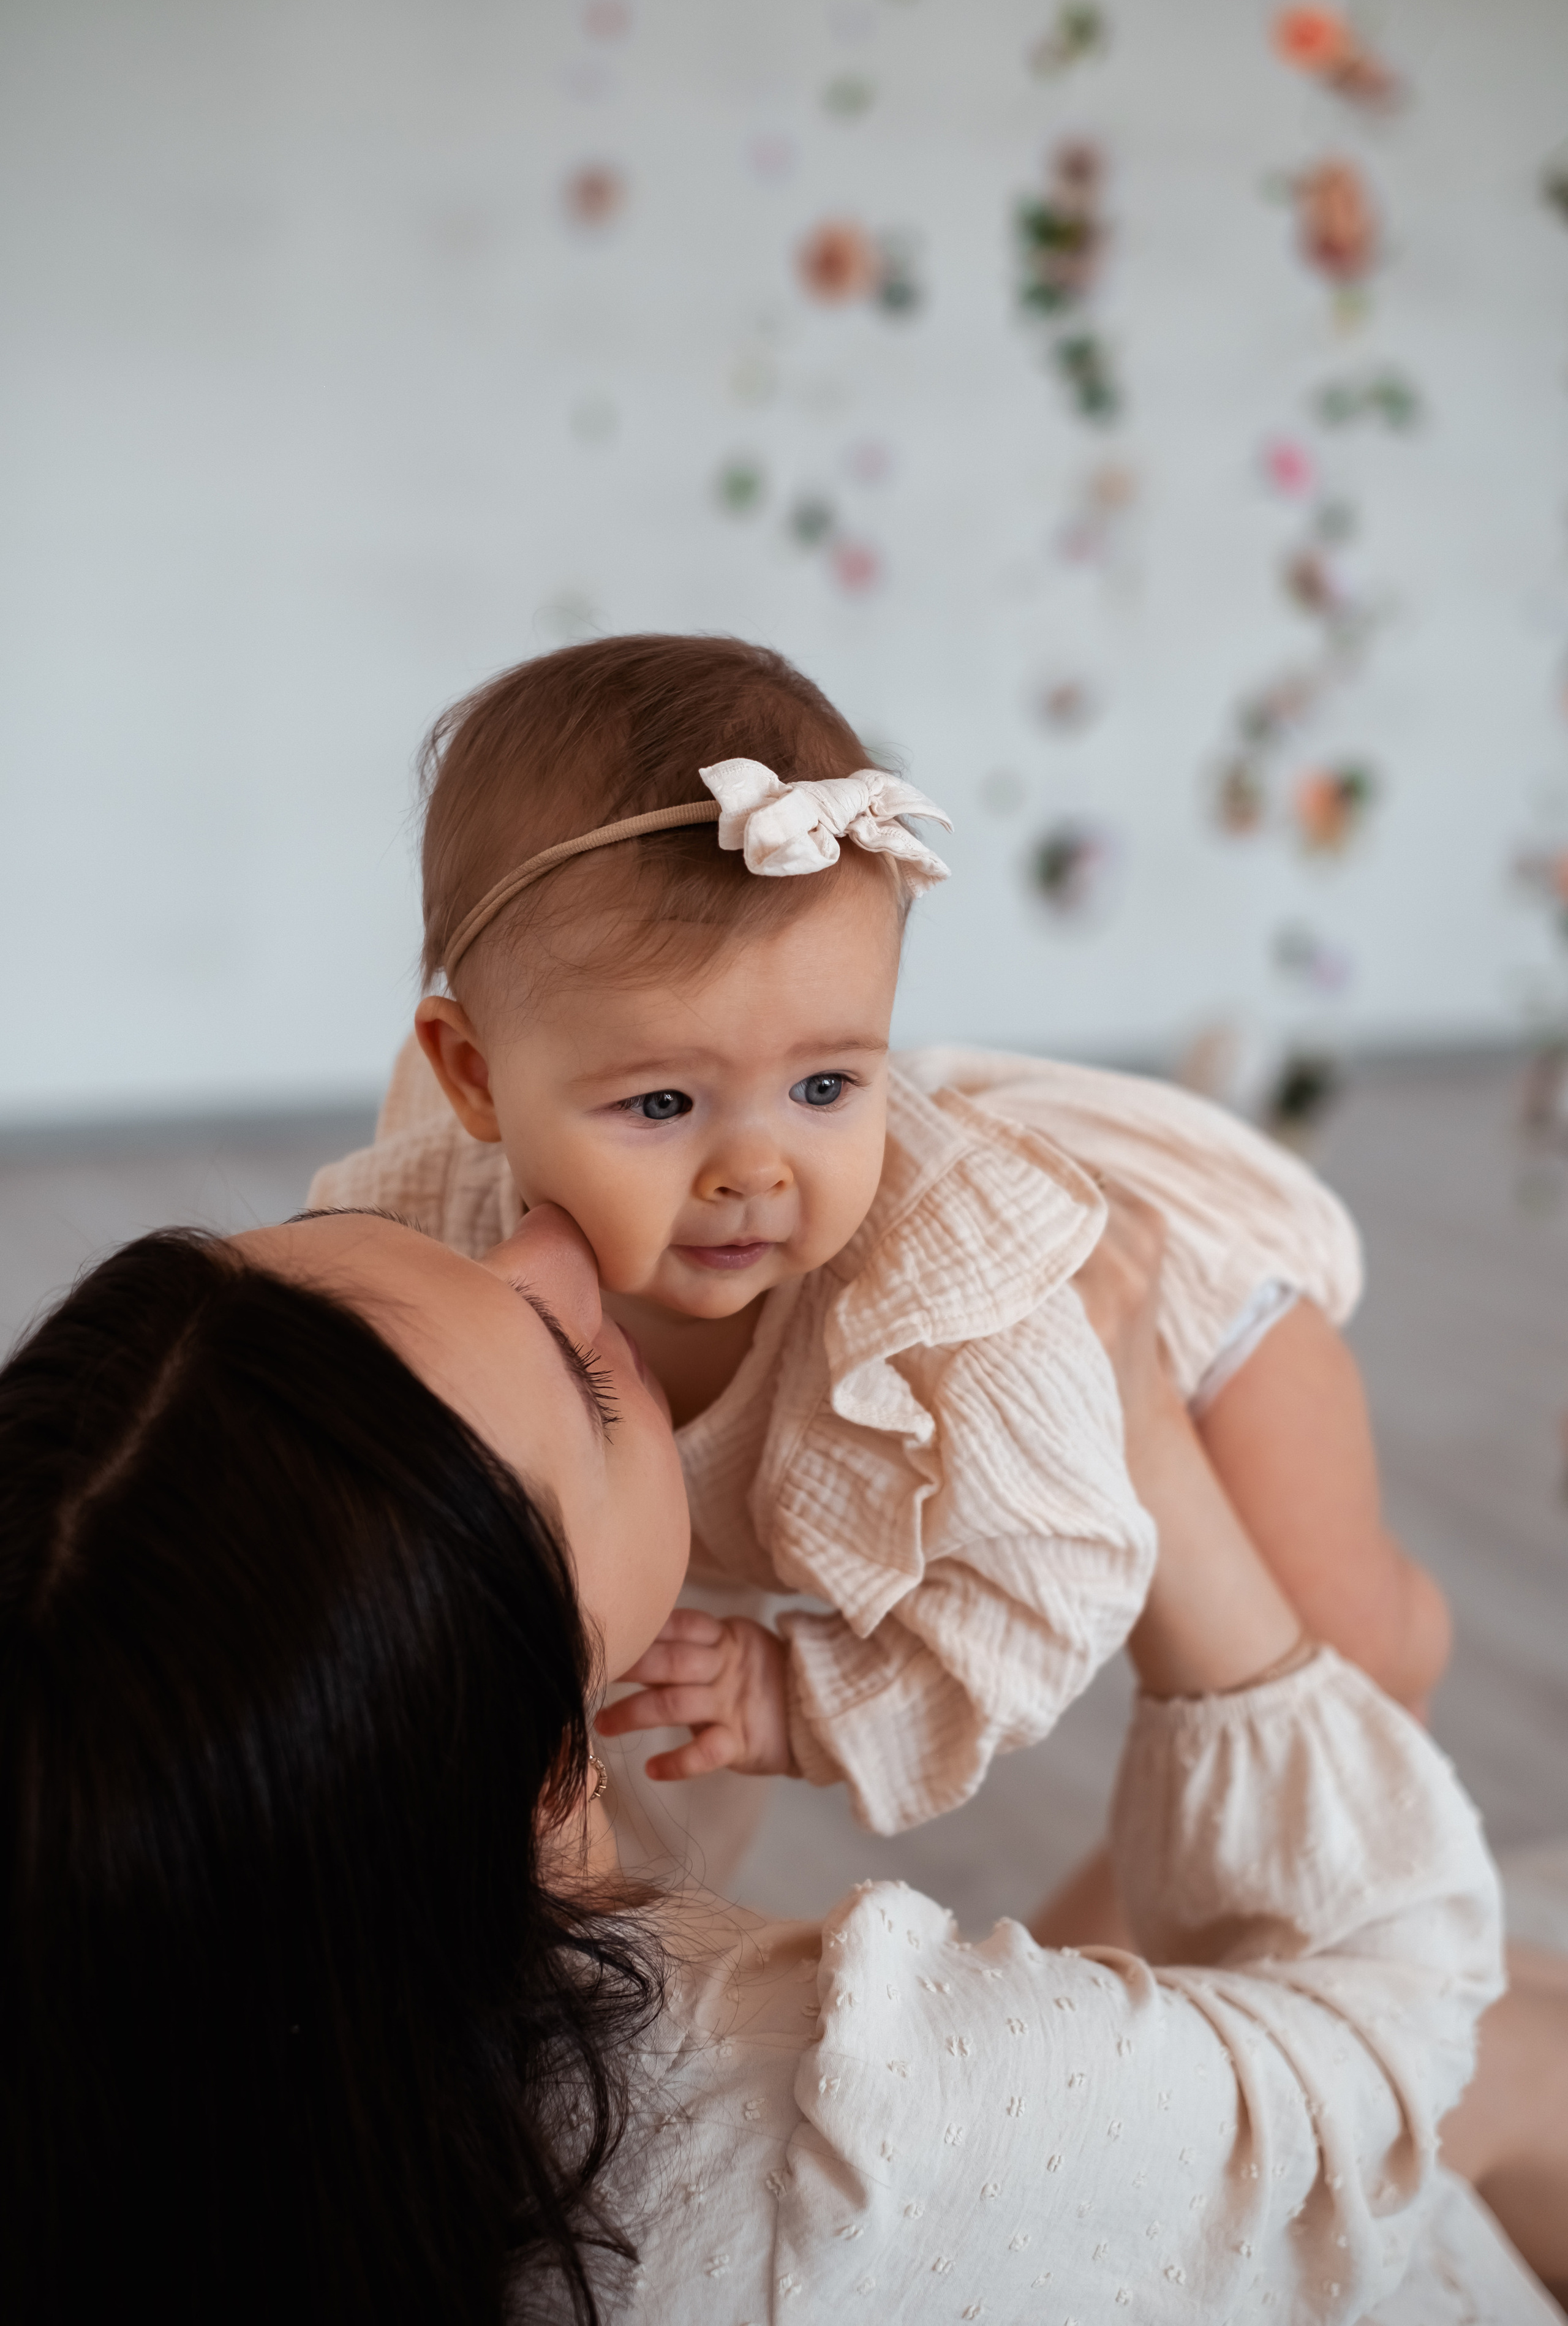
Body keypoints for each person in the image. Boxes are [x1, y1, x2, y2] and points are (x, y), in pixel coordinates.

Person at [1, 1198, 1557, 2320]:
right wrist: (1147, 1453)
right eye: (575, 1370)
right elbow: (1403, 2031)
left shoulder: (202, 2041)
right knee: (1512, 2034)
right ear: (549, 1769)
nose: (555, 1235)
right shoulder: (837, 2127)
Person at [309, 633, 1450, 1869]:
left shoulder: (948, 1306)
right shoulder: (425, 1235)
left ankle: (1405, 1655)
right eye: (660, 1106)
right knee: (649, 1773)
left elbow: (1054, 1591)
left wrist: (800, 1698)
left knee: (1345, 1658)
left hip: (1169, 1308)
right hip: (770, 1491)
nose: (756, 1170)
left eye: (825, 1084)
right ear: (474, 1077)